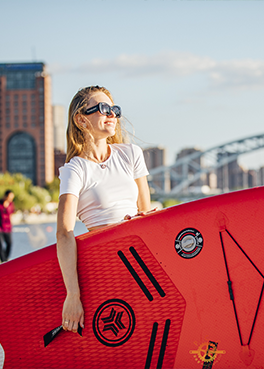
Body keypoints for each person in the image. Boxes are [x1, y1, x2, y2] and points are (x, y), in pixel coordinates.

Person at [57, 86, 154, 334]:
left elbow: (147, 213)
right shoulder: (75, 170)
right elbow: (65, 233)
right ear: (81, 120)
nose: (112, 114)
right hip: (105, 265)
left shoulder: (131, 154)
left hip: (140, 261)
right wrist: (73, 295)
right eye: (103, 109)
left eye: (114, 110)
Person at [0, 190, 15, 262]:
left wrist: (11, 224)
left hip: (8, 227)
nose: (10, 199)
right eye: (9, 197)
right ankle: (2, 260)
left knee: (10, 243)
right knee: (0, 244)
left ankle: (6, 258)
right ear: (5, 196)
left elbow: (11, 215)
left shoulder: (11, 204)